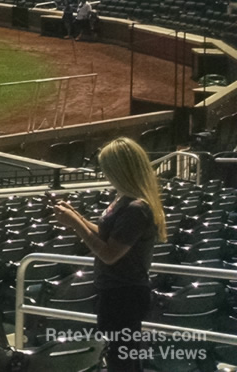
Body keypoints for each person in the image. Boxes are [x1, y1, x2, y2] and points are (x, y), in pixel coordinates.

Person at [53, 138, 166, 372]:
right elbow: (108, 236)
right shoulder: (123, 199)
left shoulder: (137, 208)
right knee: (121, 358)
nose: (104, 172)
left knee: (121, 361)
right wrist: (78, 216)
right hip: (114, 291)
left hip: (125, 294)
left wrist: (75, 224)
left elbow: (109, 254)